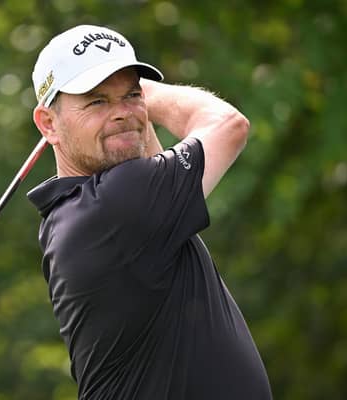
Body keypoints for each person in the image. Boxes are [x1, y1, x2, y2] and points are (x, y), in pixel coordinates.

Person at [27, 24, 272, 399]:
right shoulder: (116, 205)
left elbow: (148, 160)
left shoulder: (76, 211)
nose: (123, 113)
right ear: (48, 123)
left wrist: (132, 107)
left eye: (131, 95)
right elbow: (228, 124)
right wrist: (151, 95)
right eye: (97, 101)